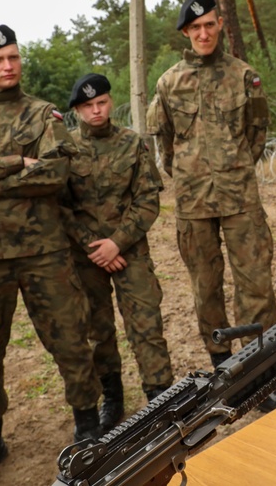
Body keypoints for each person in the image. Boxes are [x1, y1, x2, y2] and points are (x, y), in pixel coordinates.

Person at [0, 25, 101, 486]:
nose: (9, 65)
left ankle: (87, 427)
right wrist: (21, 163)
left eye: (14, 57)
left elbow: (56, 175)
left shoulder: (43, 114)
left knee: (71, 341)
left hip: (43, 250)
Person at [150, 0, 276, 413]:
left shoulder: (245, 76)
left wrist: (233, 168)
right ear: (186, 33)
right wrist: (191, 175)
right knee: (205, 288)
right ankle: (222, 368)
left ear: (220, 25)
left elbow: (257, 134)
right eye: (195, 28)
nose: (203, 32)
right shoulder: (169, 82)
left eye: (210, 24)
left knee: (255, 286)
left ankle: (260, 370)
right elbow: (166, 144)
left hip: (240, 198)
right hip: (192, 202)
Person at [63, 73, 174, 431]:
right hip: (87, 258)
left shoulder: (132, 143)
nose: (96, 111)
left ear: (111, 102)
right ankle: (112, 399)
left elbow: (146, 200)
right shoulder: (65, 149)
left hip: (130, 252)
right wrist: (93, 246)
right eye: (88, 106)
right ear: (77, 110)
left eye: (102, 103)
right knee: (98, 331)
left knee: (146, 325)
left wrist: (117, 242)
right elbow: (60, 207)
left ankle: (161, 397)